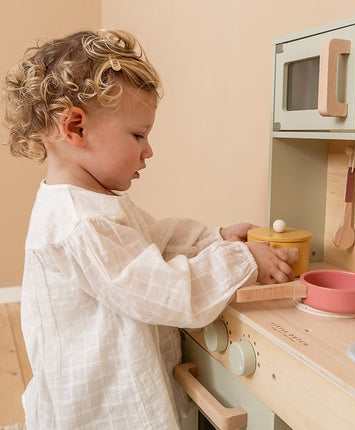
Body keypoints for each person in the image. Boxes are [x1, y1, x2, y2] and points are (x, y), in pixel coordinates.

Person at [3, 29, 297, 429]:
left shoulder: (95, 203)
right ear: (75, 128)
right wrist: (241, 260)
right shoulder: (80, 222)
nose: (148, 150)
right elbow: (166, 291)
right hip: (104, 413)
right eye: (138, 135)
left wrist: (215, 238)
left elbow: (154, 241)